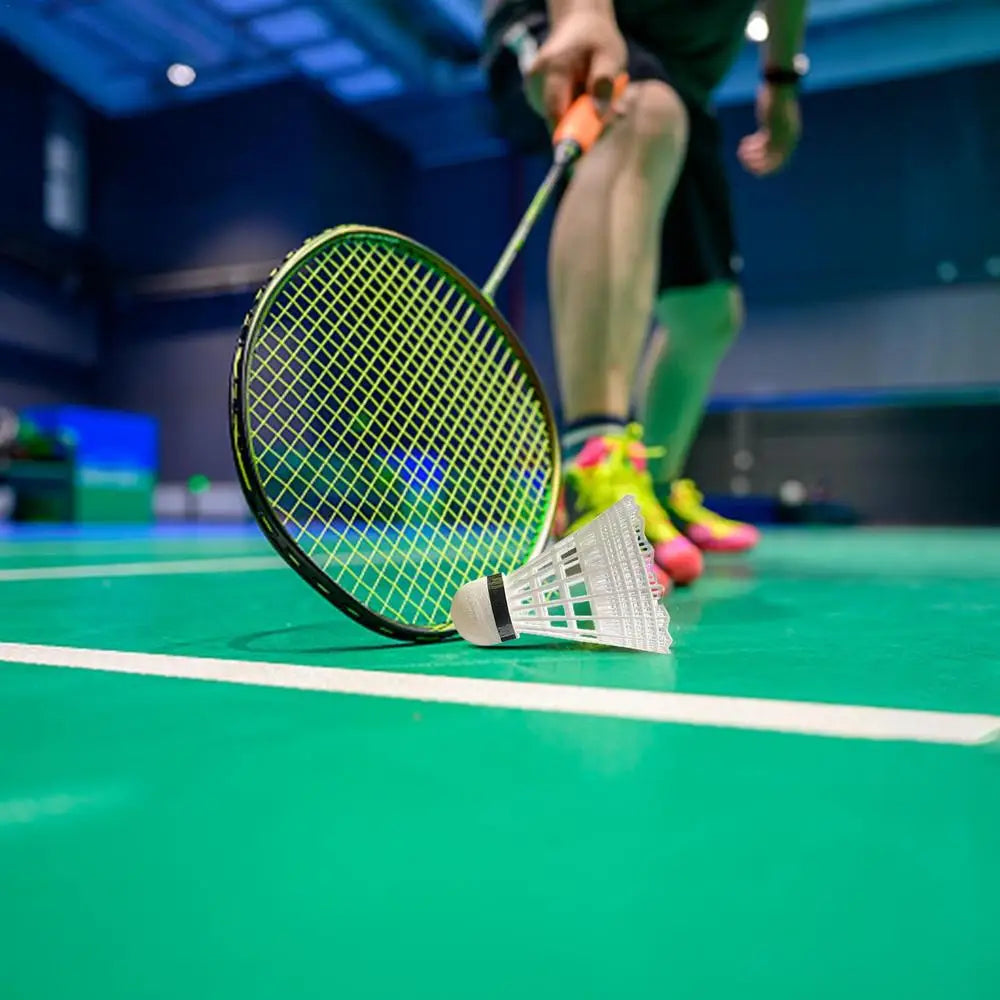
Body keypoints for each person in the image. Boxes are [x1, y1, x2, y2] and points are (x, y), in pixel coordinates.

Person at [483, 0, 807, 585]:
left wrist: (780, 79)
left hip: (683, 76)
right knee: (644, 112)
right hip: (566, 19)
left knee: (708, 310)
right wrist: (581, 14)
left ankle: (653, 489)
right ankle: (592, 473)